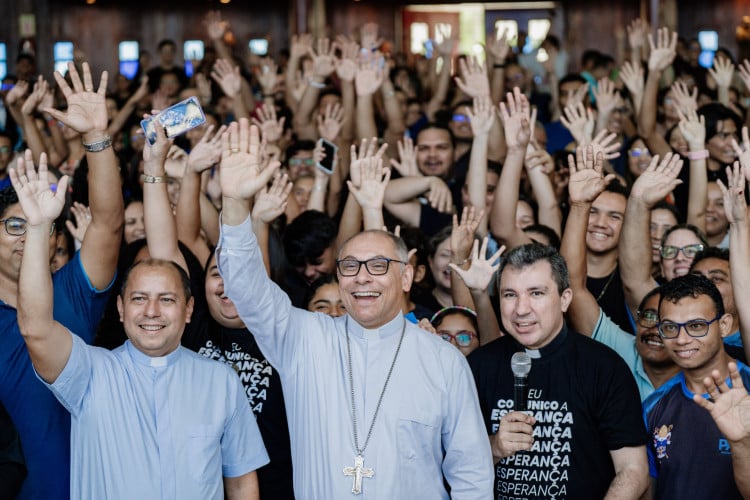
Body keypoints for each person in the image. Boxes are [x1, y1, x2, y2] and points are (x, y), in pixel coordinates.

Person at [217, 119, 493, 499]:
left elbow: (472, 476)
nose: (362, 277)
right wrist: (233, 205)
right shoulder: (304, 338)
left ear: (407, 278)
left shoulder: (444, 360)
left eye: (379, 266)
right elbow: (246, 289)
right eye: (350, 266)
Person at [11, 153, 268, 499]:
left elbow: (240, 481)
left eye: (166, 299)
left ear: (189, 309)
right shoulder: (91, 371)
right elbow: (35, 329)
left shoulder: (221, 380)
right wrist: (40, 227)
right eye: (138, 299)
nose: (151, 311)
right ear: (120, 308)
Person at [0, 62, 124, 500]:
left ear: (55, 238)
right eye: (15, 226)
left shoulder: (72, 290)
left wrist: (95, 138)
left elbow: (107, 224)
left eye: (41, 225)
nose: (27, 236)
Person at [468, 239, 649, 499]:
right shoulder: (478, 366)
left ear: (565, 299)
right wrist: (495, 446)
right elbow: (450, 461)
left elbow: (633, 470)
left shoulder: (603, 367)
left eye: (536, 293)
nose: (521, 309)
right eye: (510, 295)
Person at [560, 145, 681, 400]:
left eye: (670, 323)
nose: (656, 328)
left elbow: (636, 282)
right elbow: (573, 286)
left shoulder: (718, 371)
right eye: (648, 316)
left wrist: (638, 203)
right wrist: (581, 205)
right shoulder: (625, 349)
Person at [643, 273, 750, 499]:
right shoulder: (654, 406)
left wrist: (741, 445)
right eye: (670, 328)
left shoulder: (747, 388)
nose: (682, 339)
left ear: (724, 325)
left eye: (697, 325)